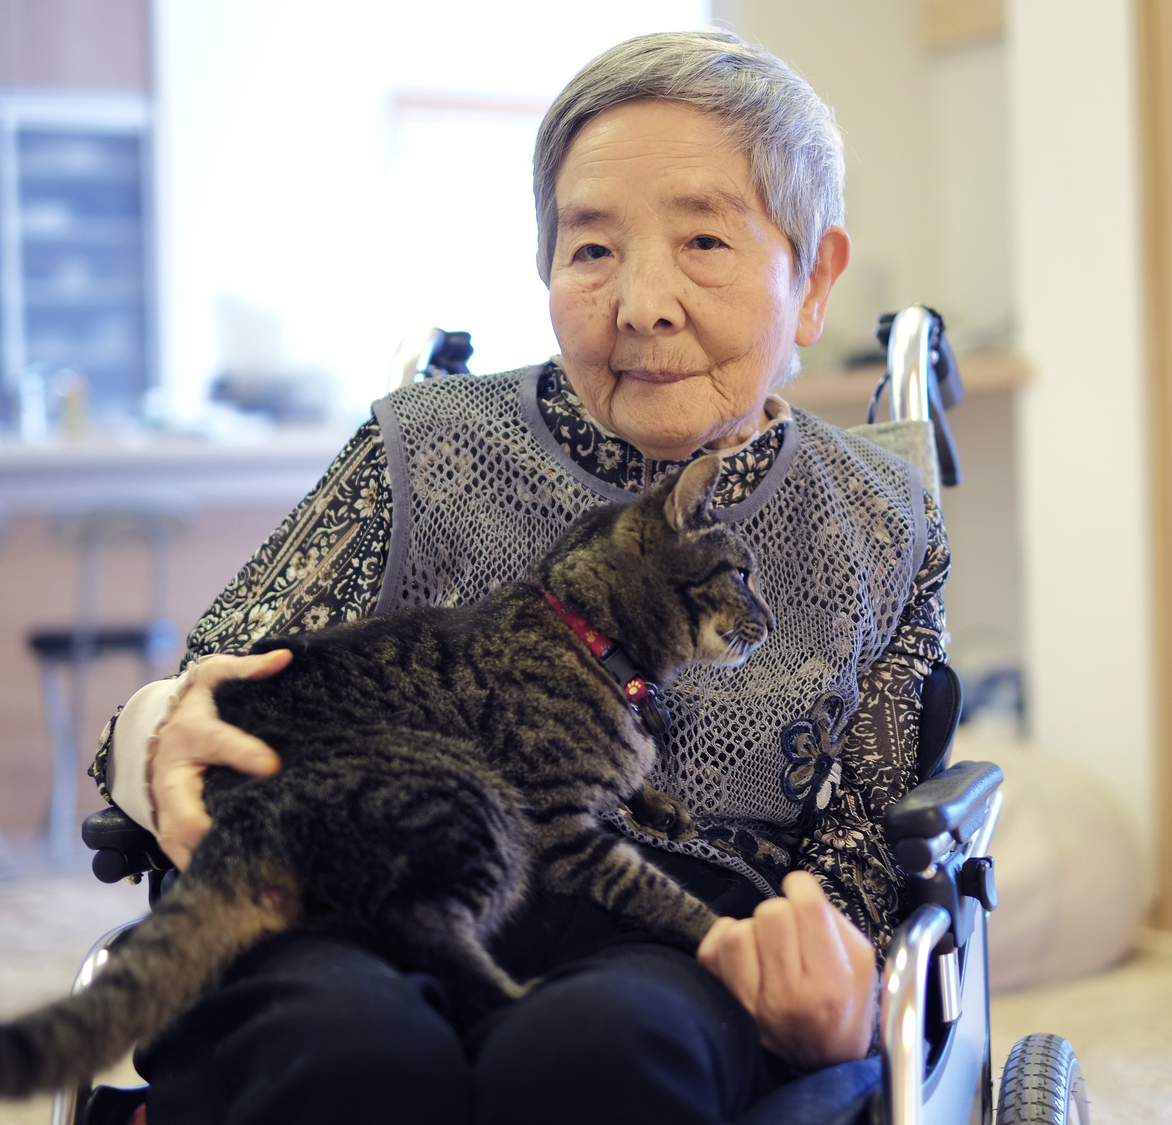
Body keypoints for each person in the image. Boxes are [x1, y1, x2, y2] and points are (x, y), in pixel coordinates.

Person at [88, 29, 949, 1125]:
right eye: (590, 251)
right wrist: (156, 730)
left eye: (702, 243)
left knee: (600, 1057)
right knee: (347, 1055)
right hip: (348, 885)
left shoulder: (881, 520)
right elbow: (206, 695)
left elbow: (869, 832)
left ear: (811, 278)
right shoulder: (425, 445)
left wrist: (834, 982)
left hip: (667, 932)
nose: (641, 301)